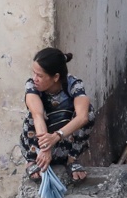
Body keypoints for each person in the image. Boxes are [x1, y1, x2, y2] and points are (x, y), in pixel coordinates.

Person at [23, 47, 92, 184]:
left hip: (65, 140)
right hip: (40, 144)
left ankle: (71, 161)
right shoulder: (32, 86)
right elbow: (37, 115)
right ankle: (32, 161)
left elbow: (83, 117)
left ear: (55, 77)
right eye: (34, 73)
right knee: (32, 115)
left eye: (40, 76)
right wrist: (46, 147)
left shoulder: (73, 85)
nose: (35, 79)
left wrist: (56, 136)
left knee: (88, 112)